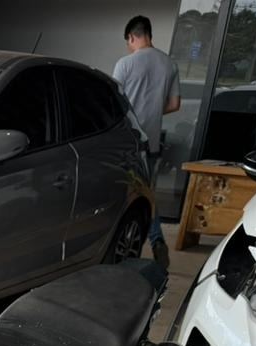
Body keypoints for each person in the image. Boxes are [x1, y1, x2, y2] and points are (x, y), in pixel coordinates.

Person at [113, 15, 181, 270]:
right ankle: (156, 240)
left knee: (119, 195)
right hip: (150, 144)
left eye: (128, 42)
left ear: (132, 37)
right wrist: (152, 110)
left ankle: (121, 246)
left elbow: (114, 103)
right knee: (147, 195)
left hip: (125, 142)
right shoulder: (169, 64)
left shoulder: (125, 63)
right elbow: (174, 104)